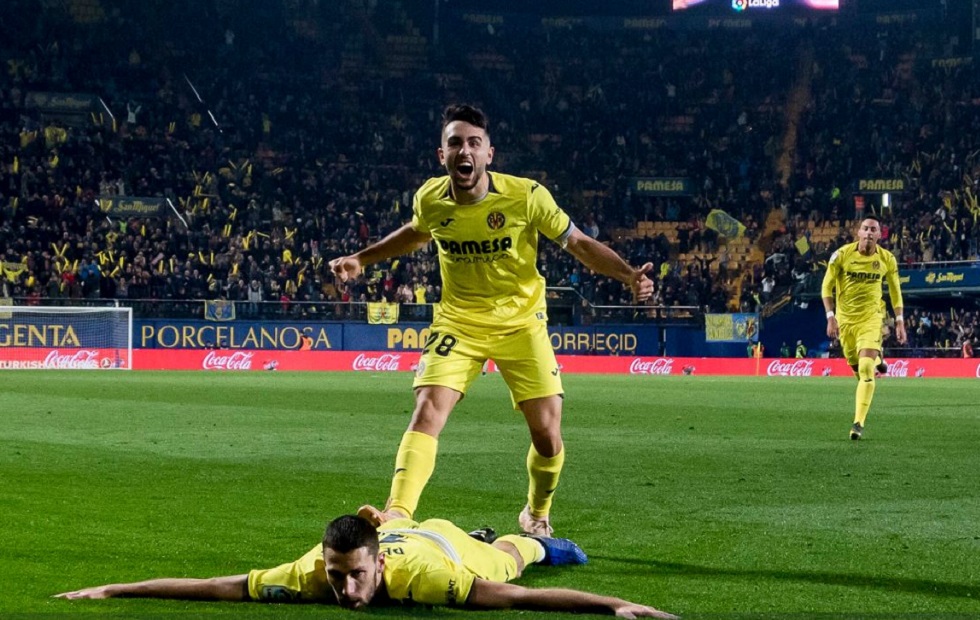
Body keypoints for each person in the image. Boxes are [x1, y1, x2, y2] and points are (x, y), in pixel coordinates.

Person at [329, 104, 654, 535]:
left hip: (521, 322)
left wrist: (628, 275)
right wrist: (361, 259)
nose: (464, 151)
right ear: (441, 155)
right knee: (427, 409)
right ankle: (397, 513)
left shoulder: (526, 196)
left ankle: (536, 512)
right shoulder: (430, 199)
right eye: (455, 143)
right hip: (458, 322)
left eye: (474, 143)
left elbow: (578, 243)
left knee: (547, 434)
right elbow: (417, 232)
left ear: (489, 153)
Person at [56, 513, 676, 619]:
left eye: (356, 575)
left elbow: (519, 601)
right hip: (393, 532)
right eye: (337, 575)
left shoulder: (430, 581)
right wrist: (115, 588)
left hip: (439, 544)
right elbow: (220, 587)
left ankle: (533, 538)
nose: (346, 589)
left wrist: (614, 605)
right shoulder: (309, 574)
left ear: (375, 565)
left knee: (509, 563)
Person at [822, 215, 906, 440]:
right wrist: (830, 316)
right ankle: (879, 360)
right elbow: (826, 287)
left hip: (871, 319)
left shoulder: (887, 259)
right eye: (865, 228)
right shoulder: (841, 255)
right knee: (857, 369)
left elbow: (895, 291)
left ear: (879, 235)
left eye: (873, 229)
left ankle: (858, 423)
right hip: (846, 321)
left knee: (866, 368)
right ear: (858, 232)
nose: (869, 232)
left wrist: (899, 320)